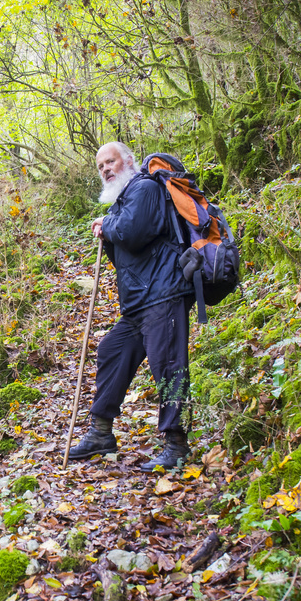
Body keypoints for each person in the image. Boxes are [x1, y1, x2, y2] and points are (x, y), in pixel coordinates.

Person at [68, 141, 195, 471]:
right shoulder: (122, 203)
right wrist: (108, 227)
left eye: (110, 162)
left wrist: (107, 226)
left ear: (128, 161)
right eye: (100, 167)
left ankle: (177, 444)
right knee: (112, 350)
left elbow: (133, 233)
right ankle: (100, 433)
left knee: (168, 368)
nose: (106, 169)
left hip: (164, 294)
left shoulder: (143, 188)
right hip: (141, 302)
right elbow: (125, 247)